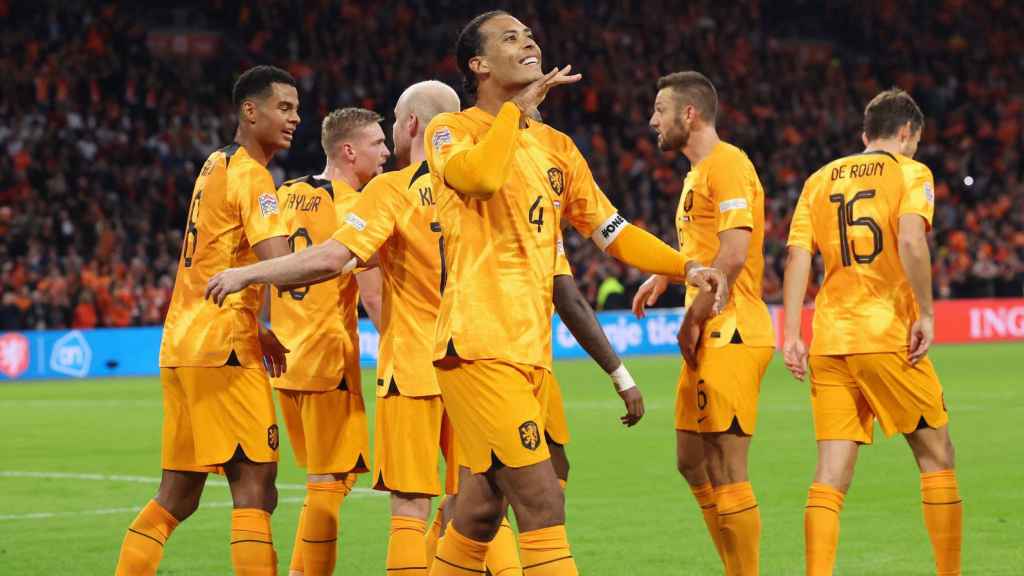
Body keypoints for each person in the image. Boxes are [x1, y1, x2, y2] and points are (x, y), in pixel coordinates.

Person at [115, 65, 298, 576]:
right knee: (256, 489)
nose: (295, 119)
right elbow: (282, 263)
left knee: (178, 496)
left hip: (182, 344)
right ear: (250, 110)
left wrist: (255, 321)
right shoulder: (253, 177)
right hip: (224, 352)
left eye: (296, 109)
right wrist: (345, 248)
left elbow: (216, 258)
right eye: (284, 108)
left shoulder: (214, 165)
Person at [782, 88, 961, 576]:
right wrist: (925, 313)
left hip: (829, 340)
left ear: (866, 134)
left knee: (830, 476)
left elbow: (798, 255)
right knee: (937, 454)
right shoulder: (910, 172)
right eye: (916, 142)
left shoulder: (818, 180)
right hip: (886, 336)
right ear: (907, 133)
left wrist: (791, 333)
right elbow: (910, 239)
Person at [636, 71, 775, 575]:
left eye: (659, 109)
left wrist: (694, 316)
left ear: (688, 114)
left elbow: (734, 255)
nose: (652, 120)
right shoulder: (697, 176)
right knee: (690, 460)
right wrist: (669, 273)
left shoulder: (728, 164)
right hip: (711, 324)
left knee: (726, 467)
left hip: (732, 325)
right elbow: (707, 250)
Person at [270, 106, 389, 576]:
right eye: (377, 144)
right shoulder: (358, 208)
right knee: (327, 482)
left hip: (284, 362)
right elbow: (375, 297)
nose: (386, 152)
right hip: (326, 361)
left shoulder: (285, 194)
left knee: (330, 479)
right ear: (348, 150)